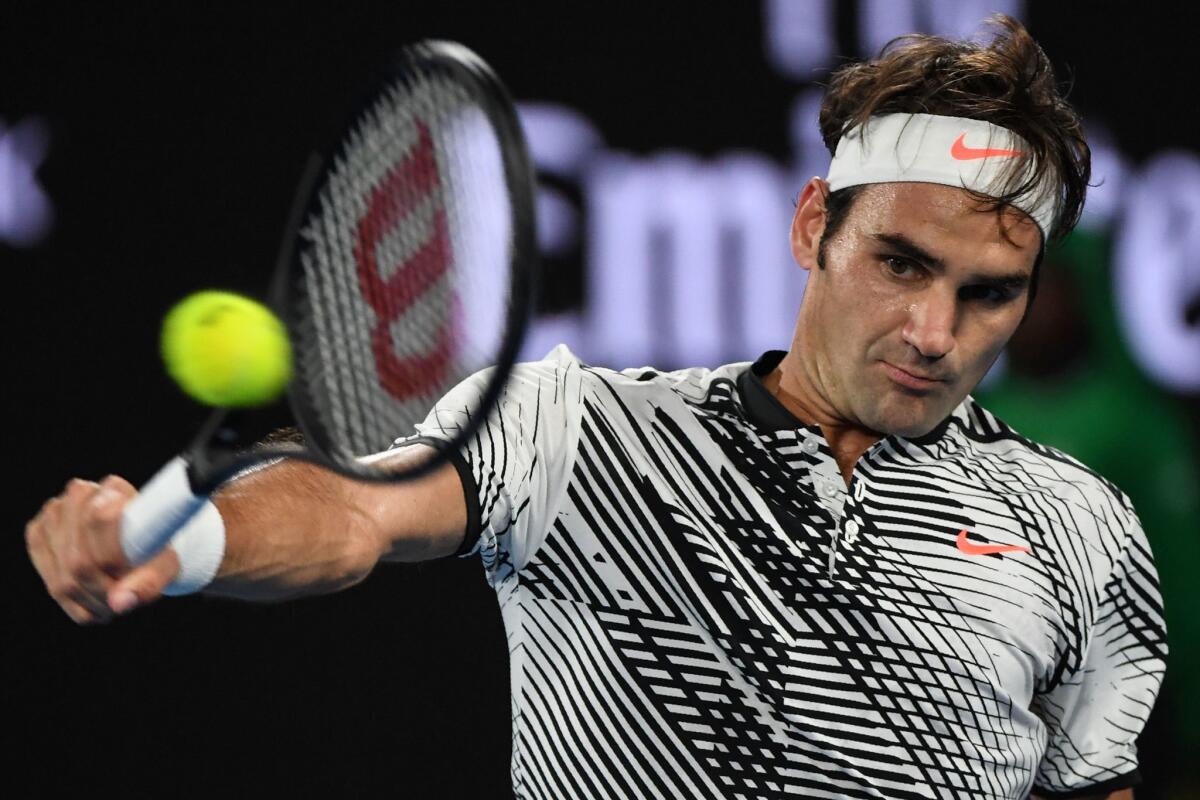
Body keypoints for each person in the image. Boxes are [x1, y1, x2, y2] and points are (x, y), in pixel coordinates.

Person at [25, 15, 1165, 800]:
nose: (934, 331)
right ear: (815, 222)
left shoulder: (1083, 528)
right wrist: (191, 539)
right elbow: (353, 508)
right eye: (902, 263)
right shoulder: (577, 429)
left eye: (988, 293)